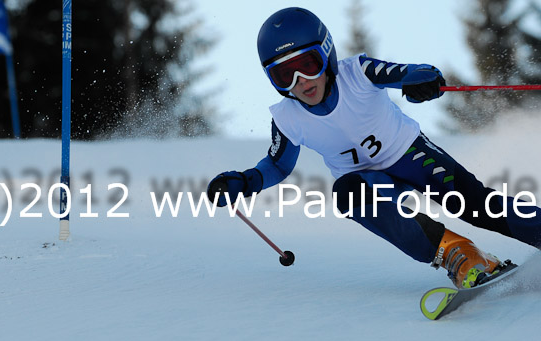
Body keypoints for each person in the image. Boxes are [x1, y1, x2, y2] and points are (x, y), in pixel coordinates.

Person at [206, 7, 541, 288]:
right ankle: (461, 255)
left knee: (475, 206)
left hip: (412, 156)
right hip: (368, 183)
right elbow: (277, 166)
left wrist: (422, 81)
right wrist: (244, 182)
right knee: (347, 193)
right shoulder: (287, 118)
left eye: (308, 65)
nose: (301, 82)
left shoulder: (358, 73)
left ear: (327, 53)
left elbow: (408, 72)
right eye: (284, 75)